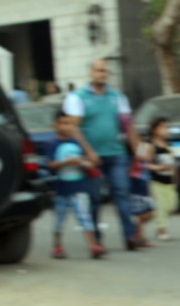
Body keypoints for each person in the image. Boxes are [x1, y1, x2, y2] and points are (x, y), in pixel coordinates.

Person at [62, 59, 141, 251]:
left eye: (105, 71)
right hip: (93, 158)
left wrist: (138, 151)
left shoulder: (117, 97)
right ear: (91, 73)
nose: (102, 74)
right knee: (95, 198)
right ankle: (96, 239)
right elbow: (73, 127)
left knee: (122, 194)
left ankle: (130, 235)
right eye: (98, 70)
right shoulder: (78, 97)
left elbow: (127, 124)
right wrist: (88, 152)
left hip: (117, 153)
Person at [48, 110, 105, 259]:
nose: (67, 127)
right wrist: (65, 162)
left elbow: (88, 161)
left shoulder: (77, 143)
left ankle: (93, 245)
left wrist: (84, 163)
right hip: (62, 189)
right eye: (64, 123)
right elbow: (51, 165)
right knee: (60, 219)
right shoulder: (53, 144)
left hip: (79, 187)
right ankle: (57, 246)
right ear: (55, 125)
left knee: (84, 216)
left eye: (70, 124)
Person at [143, 116, 180, 241]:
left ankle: (156, 222)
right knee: (161, 207)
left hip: (169, 181)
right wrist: (157, 167)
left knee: (172, 206)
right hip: (155, 181)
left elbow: (174, 163)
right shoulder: (148, 145)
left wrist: (176, 177)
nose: (166, 130)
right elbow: (141, 163)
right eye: (163, 127)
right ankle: (162, 231)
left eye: (168, 127)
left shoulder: (169, 145)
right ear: (154, 129)